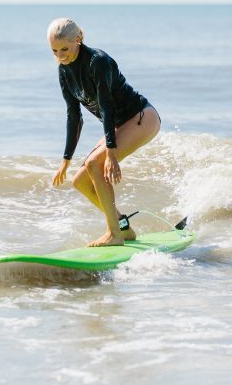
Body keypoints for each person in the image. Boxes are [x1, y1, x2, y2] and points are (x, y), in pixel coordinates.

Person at [47, 18, 161, 247]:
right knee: (80, 181)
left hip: (140, 117)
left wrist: (110, 152)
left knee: (92, 165)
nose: (60, 56)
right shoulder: (64, 70)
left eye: (65, 49)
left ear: (78, 40)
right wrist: (66, 159)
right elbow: (73, 115)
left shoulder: (97, 62)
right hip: (118, 124)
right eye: (54, 51)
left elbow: (106, 106)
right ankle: (123, 227)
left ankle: (114, 234)